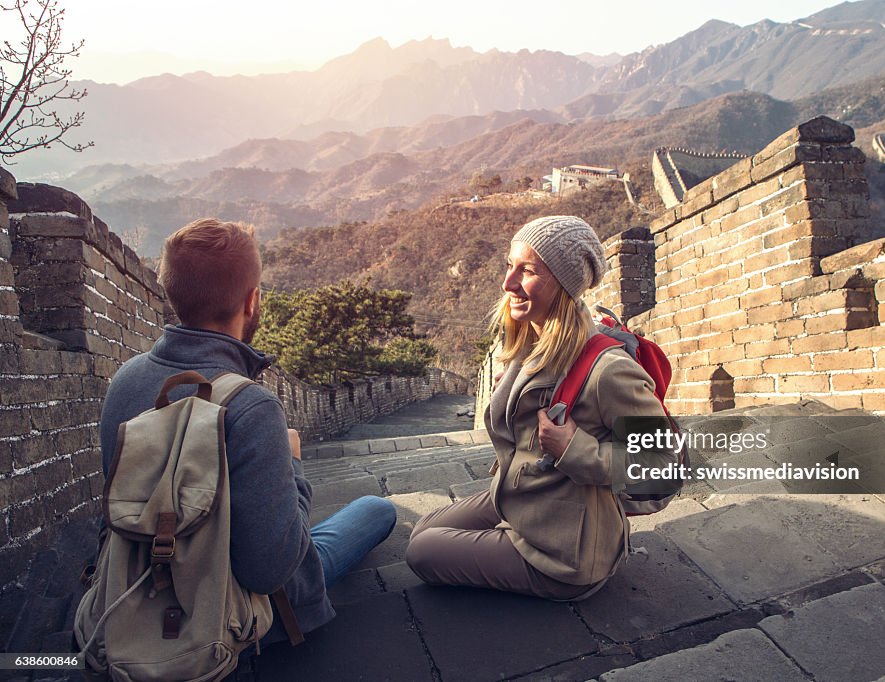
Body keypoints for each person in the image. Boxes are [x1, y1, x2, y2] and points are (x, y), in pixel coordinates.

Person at [98, 218, 397, 646]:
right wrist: (292, 465)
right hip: (236, 615)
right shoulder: (250, 407)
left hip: (138, 591)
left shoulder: (125, 380)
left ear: (172, 294)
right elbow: (269, 570)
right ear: (253, 301)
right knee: (376, 509)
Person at [405, 215, 674, 600]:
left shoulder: (609, 372)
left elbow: (662, 471)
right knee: (422, 529)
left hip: (566, 553)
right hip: (524, 498)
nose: (507, 283)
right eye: (509, 265)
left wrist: (574, 449)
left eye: (527, 270)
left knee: (421, 551)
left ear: (564, 286)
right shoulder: (530, 343)